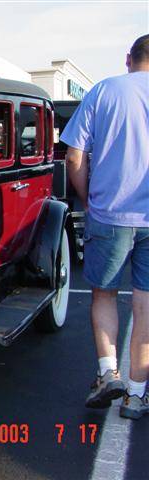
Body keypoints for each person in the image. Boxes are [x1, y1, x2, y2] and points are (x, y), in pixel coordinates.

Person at [61, 34, 149, 419]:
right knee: (146, 304)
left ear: (129, 58)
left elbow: (74, 155)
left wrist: (87, 199)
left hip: (109, 214)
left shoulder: (104, 91)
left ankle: (107, 373)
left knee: (104, 295)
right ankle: (136, 394)